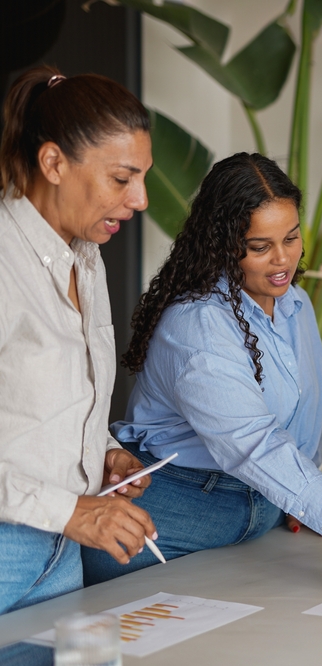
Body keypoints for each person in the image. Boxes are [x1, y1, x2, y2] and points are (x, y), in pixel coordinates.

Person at [80, 153, 322, 600]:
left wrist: (301, 503)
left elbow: (306, 416)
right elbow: (255, 442)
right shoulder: (198, 324)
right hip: (170, 517)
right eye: (260, 247)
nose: (282, 259)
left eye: (292, 237)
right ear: (224, 245)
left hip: (259, 514)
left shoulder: (294, 304)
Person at [0, 66, 157, 615]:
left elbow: (34, 411)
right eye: (122, 178)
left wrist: (103, 455)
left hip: (64, 555)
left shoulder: (87, 261)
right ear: (53, 163)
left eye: (143, 178)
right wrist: (71, 510)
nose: (140, 199)